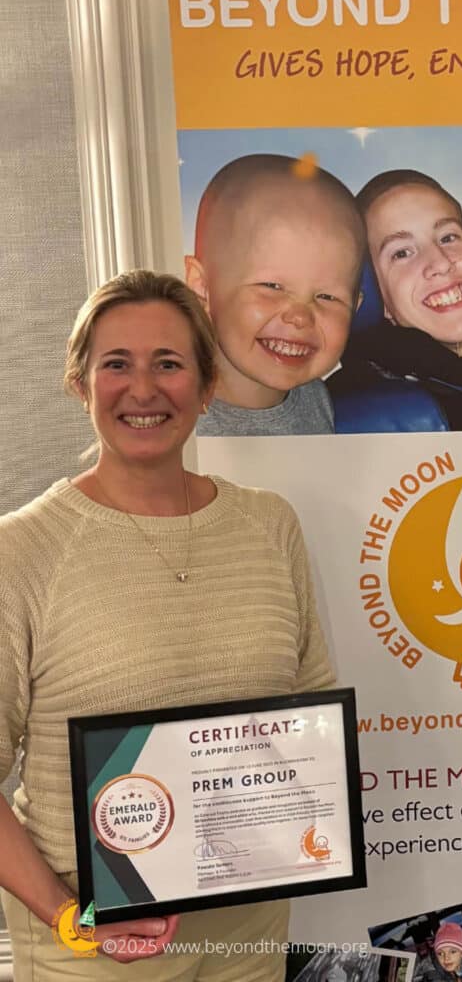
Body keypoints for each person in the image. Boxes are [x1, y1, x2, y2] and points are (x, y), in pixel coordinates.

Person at [0, 270, 336, 979]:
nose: (143, 389)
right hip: (94, 948)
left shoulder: (269, 525)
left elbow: (308, 718)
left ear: (207, 385)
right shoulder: (22, 551)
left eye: (169, 364)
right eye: (116, 364)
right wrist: (68, 917)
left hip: (251, 932)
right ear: (80, 383)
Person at [328, 169, 462, 431]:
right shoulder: (396, 411)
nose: (440, 263)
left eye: (448, 238)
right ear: (377, 293)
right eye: (402, 253)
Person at [185, 153, 365, 435]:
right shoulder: (173, 425)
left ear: (355, 307)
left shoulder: (317, 397)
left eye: (327, 297)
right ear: (201, 286)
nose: (300, 316)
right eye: (272, 286)